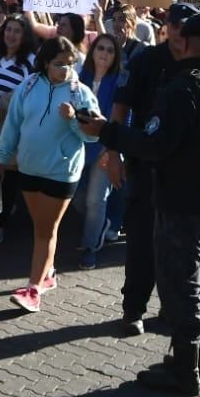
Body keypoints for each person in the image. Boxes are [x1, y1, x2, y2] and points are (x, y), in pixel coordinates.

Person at [83, 11, 200, 395]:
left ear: (192, 42)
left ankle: (185, 369)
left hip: (183, 201)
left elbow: (154, 146)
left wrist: (107, 133)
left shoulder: (185, 88)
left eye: (183, 36)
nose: (177, 42)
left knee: (183, 286)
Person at [0, 36, 101, 314]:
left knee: (45, 230)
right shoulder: (27, 87)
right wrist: (1, 160)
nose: (65, 70)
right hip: (29, 168)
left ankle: (33, 289)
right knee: (41, 227)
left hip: (62, 172)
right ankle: (47, 274)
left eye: (70, 64)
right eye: (59, 64)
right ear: (45, 63)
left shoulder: (81, 93)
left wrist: (74, 119)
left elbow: (93, 136)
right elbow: (12, 125)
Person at [108, 3, 196, 337]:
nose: (182, 35)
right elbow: (120, 107)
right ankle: (133, 309)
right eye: (177, 27)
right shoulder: (146, 60)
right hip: (145, 163)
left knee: (178, 244)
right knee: (141, 240)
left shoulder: (199, 64)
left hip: (185, 169)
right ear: (167, 28)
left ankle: (170, 306)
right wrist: (113, 154)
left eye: (188, 29)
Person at [0, 14, 35, 243]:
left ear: (24, 36)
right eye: (8, 30)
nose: (11, 35)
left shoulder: (29, 62)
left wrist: (4, 102)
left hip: (11, 128)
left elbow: (29, 92)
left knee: (7, 178)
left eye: (17, 31)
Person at [74, 33, 123, 268]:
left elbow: (124, 120)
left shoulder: (119, 82)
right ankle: (100, 224)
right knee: (74, 196)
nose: (104, 53)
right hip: (78, 147)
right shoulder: (80, 78)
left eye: (110, 50)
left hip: (105, 148)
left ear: (115, 56)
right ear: (92, 52)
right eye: (100, 48)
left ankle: (89, 247)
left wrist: (111, 150)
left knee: (96, 200)